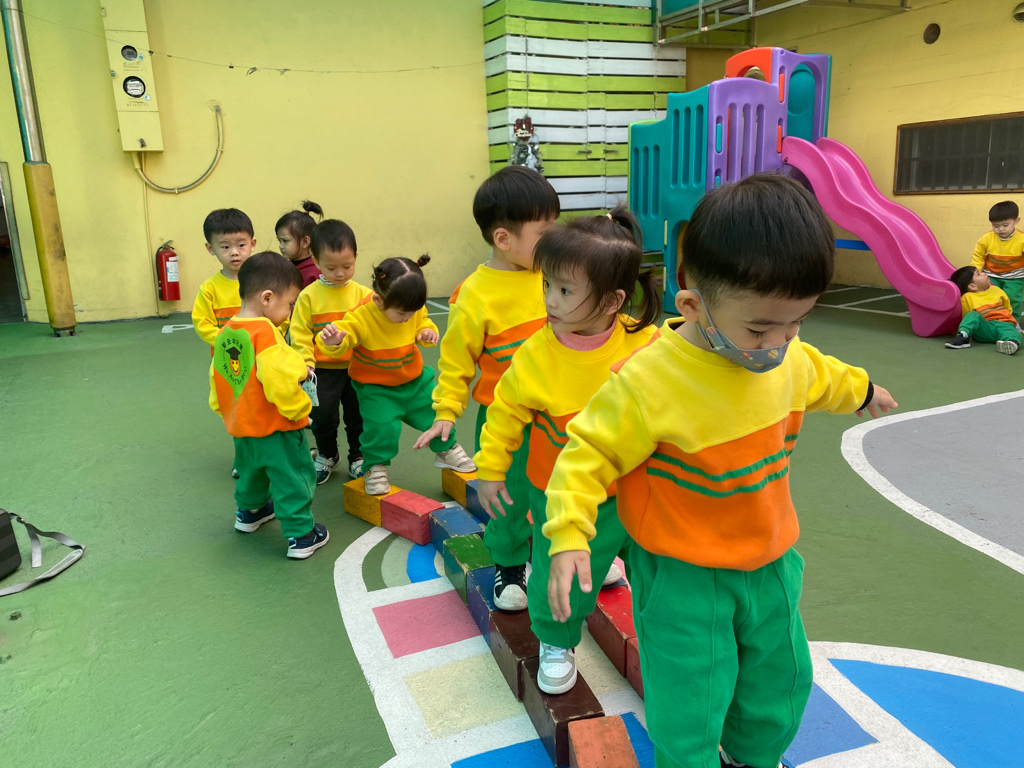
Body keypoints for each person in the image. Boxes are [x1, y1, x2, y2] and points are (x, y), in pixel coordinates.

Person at [543, 174, 898, 768]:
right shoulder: (648, 382)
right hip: (684, 576)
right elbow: (585, 456)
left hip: (771, 563)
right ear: (693, 306)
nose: (780, 342)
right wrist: (568, 534)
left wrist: (861, 390)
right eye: (760, 328)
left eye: (797, 322)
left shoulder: (787, 357)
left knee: (781, 685)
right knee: (689, 705)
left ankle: (753, 757)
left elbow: (823, 375)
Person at [474, 207, 658, 694]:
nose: (550, 301)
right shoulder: (538, 353)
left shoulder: (646, 344)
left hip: (627, 486)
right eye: (547, 286)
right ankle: (556, 640)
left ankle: (620, 577)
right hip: (559, 493)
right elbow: (503, 414)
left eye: (565, 290)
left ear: (614, 300)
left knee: (652, 559)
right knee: (561, 573)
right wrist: (491, 470)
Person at [412, 165, 560, 612]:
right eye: (545, 232)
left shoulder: (556, 274)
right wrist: (446, 410)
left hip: (562, 413)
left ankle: (576, 550)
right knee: (507, 498)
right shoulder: (474, 295)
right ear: (503, 238)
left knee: (568, 485)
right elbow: (456, 362)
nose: (555, 240)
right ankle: (510, 565)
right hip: (505, 421)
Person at [316, 256, 476, 495]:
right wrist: (334, 341)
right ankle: (375, 467)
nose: (407, 318)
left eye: (412, 312)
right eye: (402, 313)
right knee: (381, 430)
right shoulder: (362, 315)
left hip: (414, 380)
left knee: (435, 412)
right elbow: (344, 335)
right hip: (377, 388)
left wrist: (426, 331)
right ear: (378, 300)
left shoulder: (411, 308)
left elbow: (423, 321)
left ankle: (447, 450)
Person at [209, 252, 329, 560]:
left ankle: (250, 513)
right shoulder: (266, 336)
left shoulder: (226, 332)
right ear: (267, 298)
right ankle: (301, 535)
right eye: (289, 303)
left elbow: (217, 376)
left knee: (251, 473)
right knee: (293, 477)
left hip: (242, 426)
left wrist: (224, 409)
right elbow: (280, 381)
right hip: (277, 428)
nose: (289, 311)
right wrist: (300, 411)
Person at [290, 218, 373, 484]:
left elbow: (374, 329)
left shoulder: (365, 295)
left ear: (356, 256)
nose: (340, 273)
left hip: (357, 368)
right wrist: (306, 362)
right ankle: (327, 454)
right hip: (322, 371)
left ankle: (358, 456)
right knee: (322, 417)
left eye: (347, 266)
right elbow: (300, 333)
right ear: (315, 261)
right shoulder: (308, 296)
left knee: (358, 416)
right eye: (331, 267)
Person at [192, 208, 257, 348]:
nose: (234, 252)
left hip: (262, 353)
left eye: (241, 245)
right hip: (225, 355)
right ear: (210, 248)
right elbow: (202, 323)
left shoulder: (264, 281)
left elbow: (279, 313)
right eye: (225, 247)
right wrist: (227, 340)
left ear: (252, 244)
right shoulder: (209, 288)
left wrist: (268, 337)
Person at [945, 265, 1020, 354]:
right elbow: (966, 316)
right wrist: (969, 331)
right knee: (973, 314)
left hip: (1003, 324)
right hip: (985, 328)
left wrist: (1009, 321)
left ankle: (1010, 342)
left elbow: (1007, 307)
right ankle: (963, 336)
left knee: (1012, 331)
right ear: (972, 286)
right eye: (978, 274)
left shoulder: (996, 290)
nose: (983, 273)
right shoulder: (968, 297)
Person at [970, 200, 1024, 321]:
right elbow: (978, 255)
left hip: (1015, 276)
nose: (1001, 229)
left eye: (1005, 225)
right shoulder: (987, 238)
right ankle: (993, 320)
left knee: (1013, 298)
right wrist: (976, 271)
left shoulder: (1021, 239)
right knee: (991, 296)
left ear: (1016, 221)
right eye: (996, 226)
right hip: (992, 274)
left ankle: (1013, 322)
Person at [276, 200, 324, 288]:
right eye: (279, 241)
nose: (281, 246)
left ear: (305, 242)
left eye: (285, 241)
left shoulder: (316, 273)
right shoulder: (286, 267)